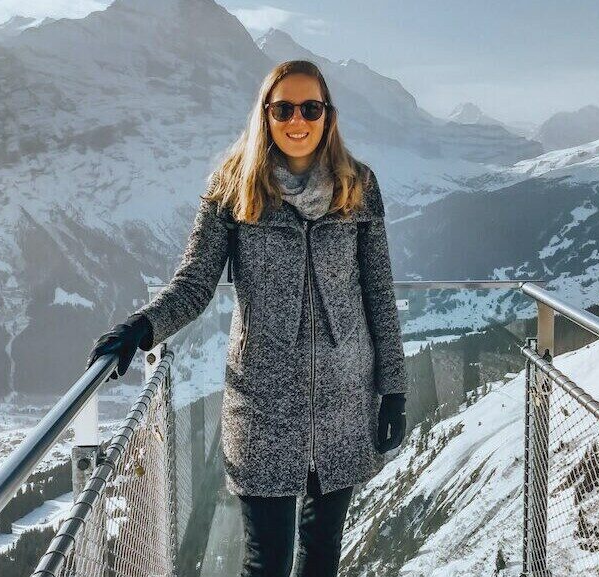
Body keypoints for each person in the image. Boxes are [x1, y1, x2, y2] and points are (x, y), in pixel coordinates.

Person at [87, 59, 407, 577]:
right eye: (284, 108)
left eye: (310, 108)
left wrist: (392, 388)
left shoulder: (358, 185)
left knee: (322, 556)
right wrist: (141, 329)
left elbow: (377, 292)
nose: (297, 120)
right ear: (265, 113)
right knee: (266, 563)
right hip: (264, 403)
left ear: (328, 116)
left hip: (346, 398)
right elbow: (194, 284)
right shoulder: (233, 186)